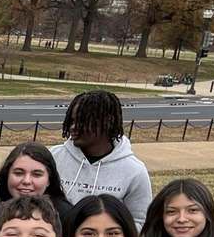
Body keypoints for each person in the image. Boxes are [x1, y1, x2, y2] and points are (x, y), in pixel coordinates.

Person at [50, 90, 152, 228]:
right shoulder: (54, 157)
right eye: (72, 120)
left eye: (81, 121)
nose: (73, 127)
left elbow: (140, 222)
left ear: (108, 122)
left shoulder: (135, 171)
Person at [0, 141, 74, 224]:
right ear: (7, 175)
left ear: (49, 180)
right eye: (18, 173)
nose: (26, 181)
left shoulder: (66, 216)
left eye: (36, 174)